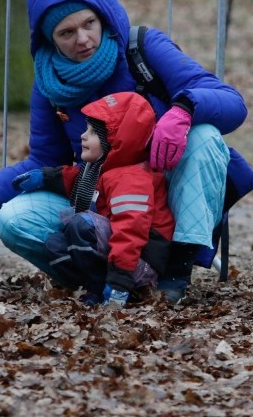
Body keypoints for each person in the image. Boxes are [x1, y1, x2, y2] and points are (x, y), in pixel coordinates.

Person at [0, 0, 253, 304]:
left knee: (204, 136)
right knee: (12, 219)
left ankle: (176, 272)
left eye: (88, 24)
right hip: (104, 202)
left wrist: (184, 109)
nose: (82, 39)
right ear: (48, 39)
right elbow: (45, 160)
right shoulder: (48, 83)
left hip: (166, 200)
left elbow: (231, 102)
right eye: (66, 32)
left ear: (103, 16)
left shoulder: (142, 47)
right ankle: (111, 285)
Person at [12, 91, 173, 307]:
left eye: (93, 132)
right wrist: (46, 177)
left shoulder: (131, 178)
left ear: (115, 141)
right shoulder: (102, 168)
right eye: (86, 129)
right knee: (54, 243)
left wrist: (120, 281)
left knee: (82, 224)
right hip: (119, 256)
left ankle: (108, 289)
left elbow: (130, 232)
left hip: (140, 262)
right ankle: (91, 288)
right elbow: (76, 178)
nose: (83, 136)